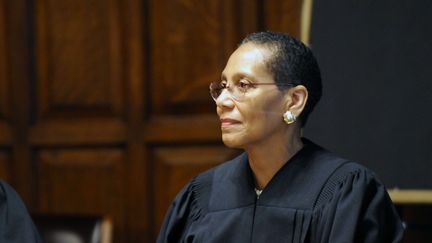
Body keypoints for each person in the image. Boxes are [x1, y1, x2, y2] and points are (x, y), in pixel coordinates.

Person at [157, 31, 404, 242]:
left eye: (243, 85)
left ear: (294, 101)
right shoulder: (201, 196)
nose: (222, 101)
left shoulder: (345, 194)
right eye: (223, 87)